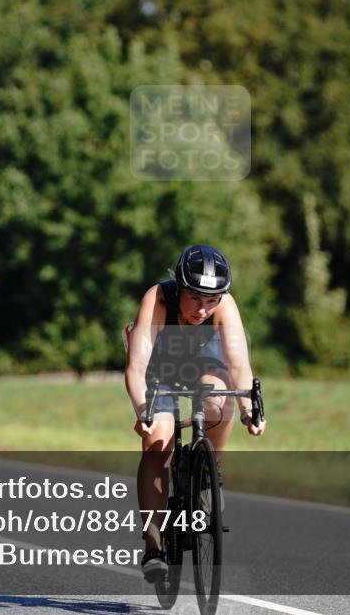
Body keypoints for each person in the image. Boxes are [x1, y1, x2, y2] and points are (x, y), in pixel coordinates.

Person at [124, 244, 266, 582]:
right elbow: (137, 368)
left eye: (211, 300)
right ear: (179, 289)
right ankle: (154, 544)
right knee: (159, 441)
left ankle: (208, 470)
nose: (203, 309)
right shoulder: (157, 300)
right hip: (158, 364)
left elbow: (238, 365)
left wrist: (249, 409)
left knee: (219, 399)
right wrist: (144, 411)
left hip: (203, 360)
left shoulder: (224, 306)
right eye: (195, 298)